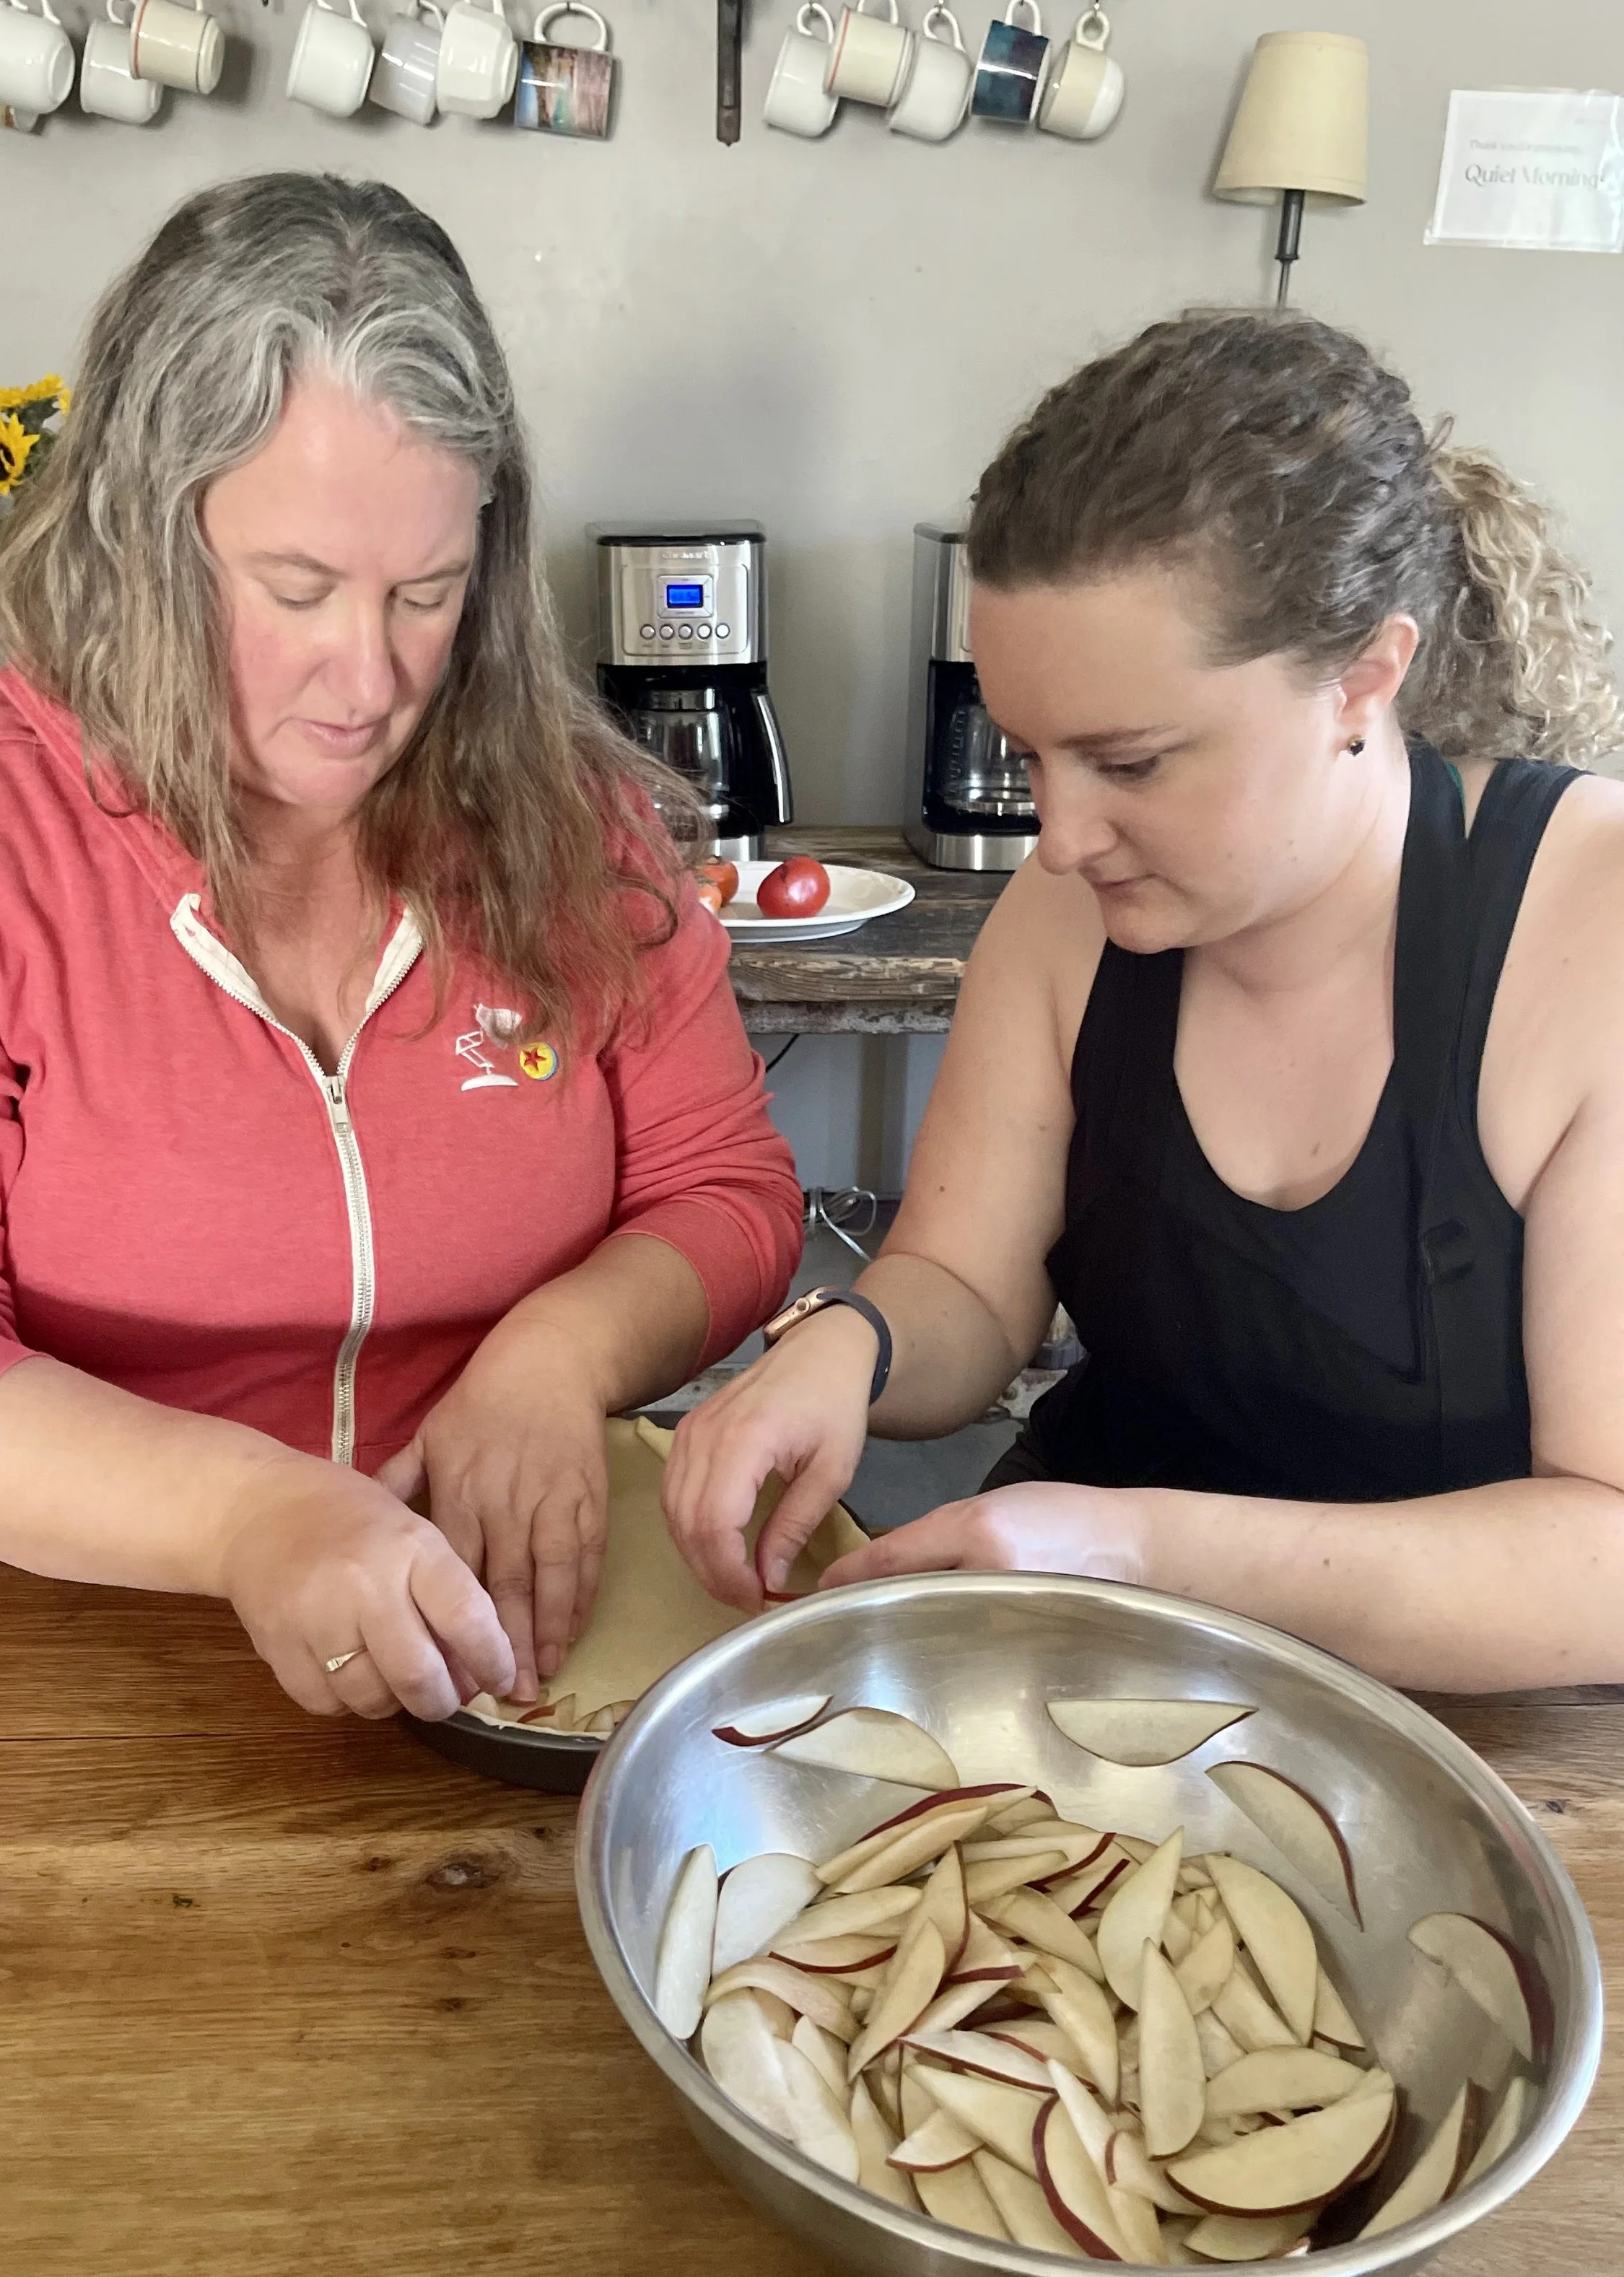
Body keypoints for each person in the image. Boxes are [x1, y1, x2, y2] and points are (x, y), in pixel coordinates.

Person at [0, 175, 803, 1721]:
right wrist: (251, 1512)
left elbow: (729, 1191)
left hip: (514, 1618)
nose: (370, 677)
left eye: (426, 592)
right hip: (70, 1655)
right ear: (147, 537)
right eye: (294, 590)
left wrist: (562, 1351)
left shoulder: (579, 822)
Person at [665, 308, 1624, 1693]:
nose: (1060, 840)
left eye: (1131, 762)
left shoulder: (1585, 927)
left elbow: (1602, 1555)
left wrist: (1134, 1551)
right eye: (1029, 754)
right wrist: (851, 1349)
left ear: (1365, 675)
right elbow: (965, 1284)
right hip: (1083, 1634)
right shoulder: (1069, 920)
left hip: (1467, 1709)